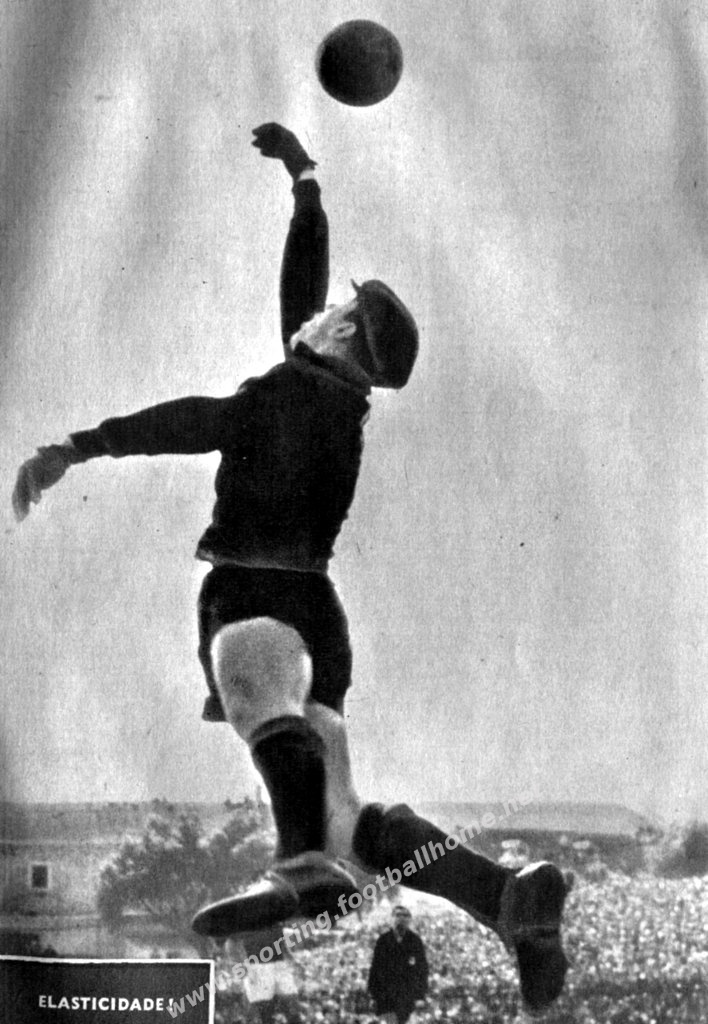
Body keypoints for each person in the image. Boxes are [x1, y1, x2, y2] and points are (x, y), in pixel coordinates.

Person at [12, 124, 569, 1016]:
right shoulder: (331, 399)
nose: (315, 310)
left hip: (259, 594)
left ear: (340, 329)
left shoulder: (282, 397)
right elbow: (303, 293)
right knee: (348, 817)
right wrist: (304, 183)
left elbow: (193, 419)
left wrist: (78, 447)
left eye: (332, 310)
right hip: (319, 614)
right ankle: (501, 896)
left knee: (252, 688)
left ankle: (300, 860)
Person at [368, 906, 428, 1024]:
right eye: (398, 915)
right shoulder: (383, 940)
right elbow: (375, 969)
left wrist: (420, 996)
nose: (401, 918)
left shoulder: (415, 941)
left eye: (405, 915)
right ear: (392, 918)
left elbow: (422, 970)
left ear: (409, 919)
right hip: (386, 997)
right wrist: (373, 995)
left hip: (407, 997)